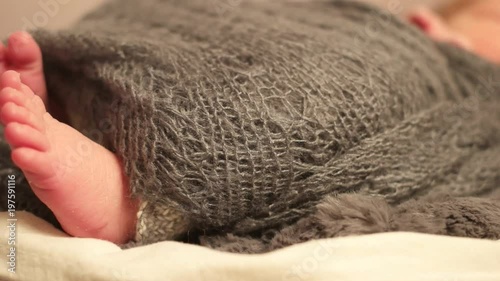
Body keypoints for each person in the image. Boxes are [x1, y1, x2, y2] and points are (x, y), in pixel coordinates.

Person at [0, 0, 498, 244]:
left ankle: (130, 193)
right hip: (342, 46)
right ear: (426, 24)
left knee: (308, 111)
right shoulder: (416, 44)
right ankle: (92, 123)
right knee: (318, 95)